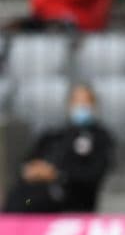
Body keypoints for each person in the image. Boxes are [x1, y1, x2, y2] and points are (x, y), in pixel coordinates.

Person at [3, 83, 115, 213]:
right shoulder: (55, 135)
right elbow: (27, 161)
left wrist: (56, 174)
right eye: (76, 101)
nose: (81, 105)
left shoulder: (100, 137)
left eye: (85, 101)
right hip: (38, 191)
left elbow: (94, 173)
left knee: (29, 200)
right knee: (18, 196)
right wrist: (32, 170)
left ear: (94, 105)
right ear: (69, 104)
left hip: (73, 197)